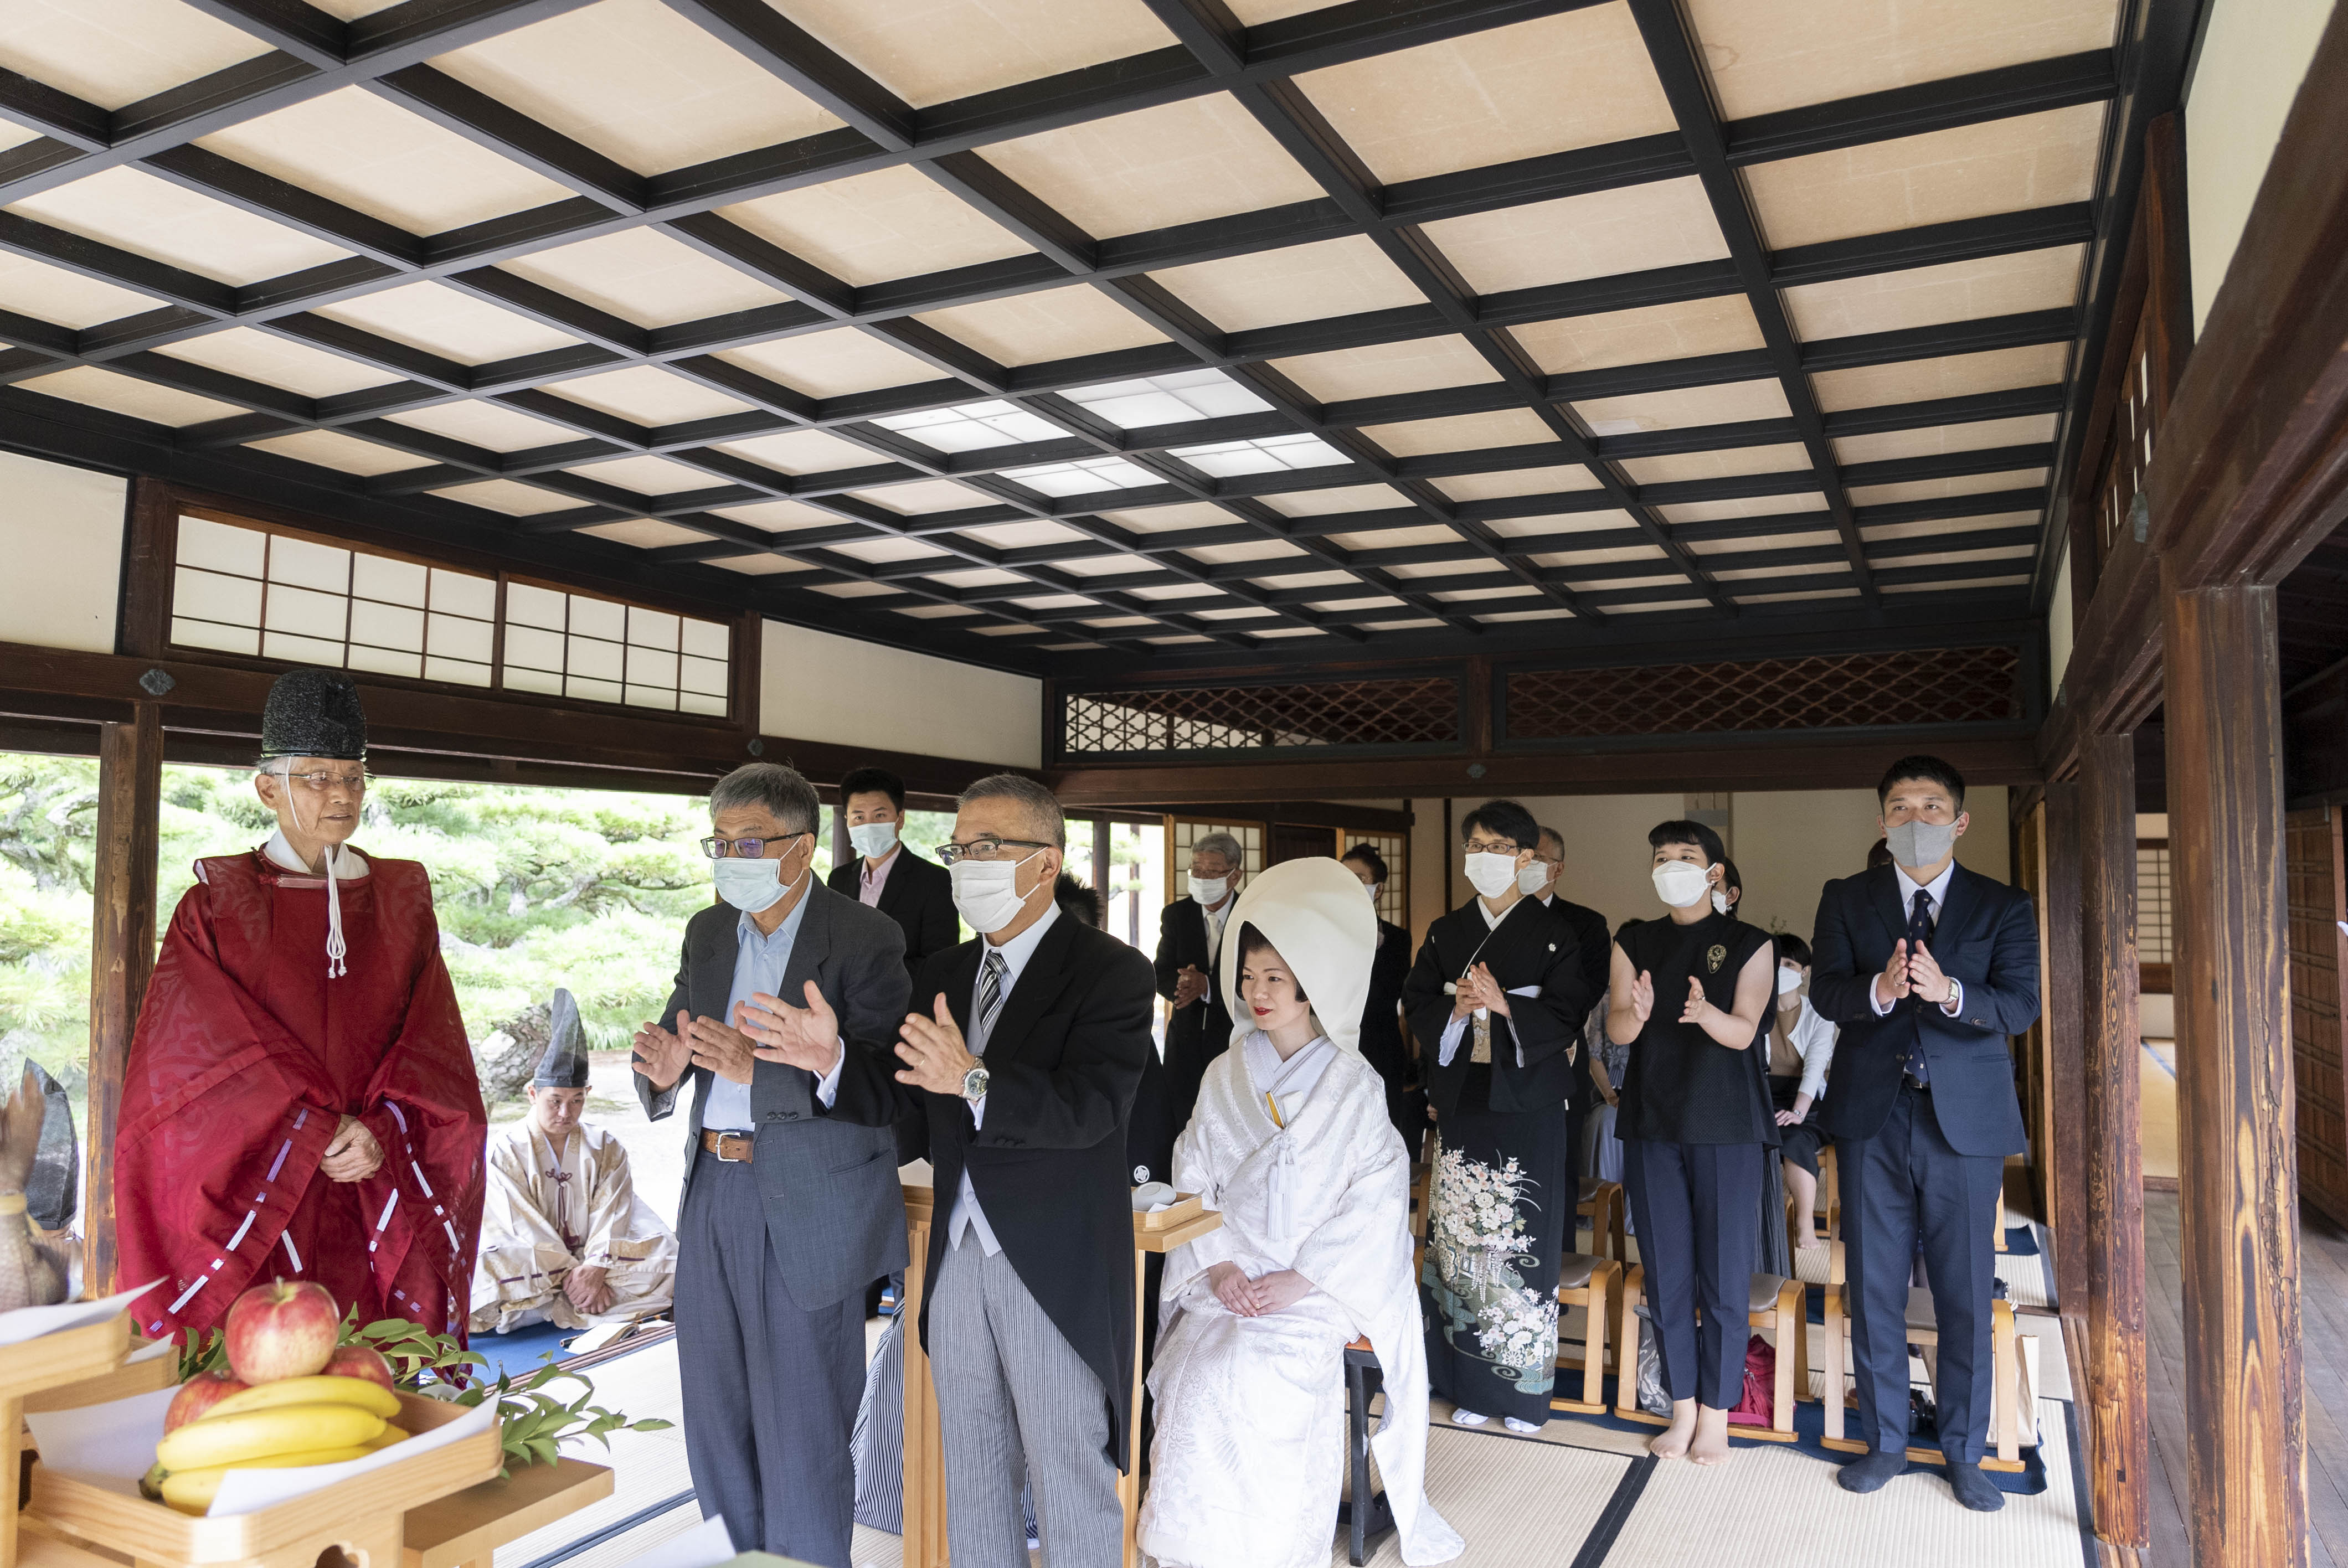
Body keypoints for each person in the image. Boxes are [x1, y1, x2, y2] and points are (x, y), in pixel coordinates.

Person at [743, 773, 1153, 1568]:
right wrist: (830, 1060)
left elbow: (1091, 1109)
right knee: (970, 1469)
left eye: (989, 847)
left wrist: (975, 1080)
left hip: (1054, 1263)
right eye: (961, 847)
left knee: (1070, 1475)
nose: (969, 864)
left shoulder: (1112, 972)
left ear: (1045, 864)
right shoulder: (943, 977)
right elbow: (906, 1114)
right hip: (956, 1262)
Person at [116, 669, 485, 1342]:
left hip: (377, 1170)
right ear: (268, 789)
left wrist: (386, 1129)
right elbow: (193, 1063)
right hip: (261, 1180)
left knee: (375, 1374)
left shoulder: (402, 900)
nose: (341, 794)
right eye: (317, 776)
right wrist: (305, 1132)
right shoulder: (217, 904)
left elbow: (435, 1042)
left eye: (353, 776)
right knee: (261, 1362)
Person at [1140, 859, 1463, 1568]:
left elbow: (1375, 1198)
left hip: (1315, 1284)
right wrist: (1220, 1266)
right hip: (1226, 1275)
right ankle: (1190, 1547)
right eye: (1250, 978)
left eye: (1276, 981)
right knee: (1194, 1375)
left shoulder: (1353, 1082)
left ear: (1310, 990)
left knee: (1261, 1382)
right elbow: (1193, 1170)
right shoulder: (1225, 1071)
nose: (1258, 994)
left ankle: (1272, 1551)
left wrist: (1302, 1280)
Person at [629, 762, 912, 1568]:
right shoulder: (709, 932)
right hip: (713, 1187)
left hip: (810, 1198)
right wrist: (662, 1070)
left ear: (802, 849)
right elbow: (679, 1039)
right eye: (718, 842)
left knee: (804, 1424)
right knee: (715, 1414)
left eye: (746, 841)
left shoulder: (864, 937)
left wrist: (771, 1072)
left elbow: (887, 1083)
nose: (729, 857)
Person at [1809, 756, 2040, 1512]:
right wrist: (1877, 990)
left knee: (1965, 1292)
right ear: (1882, 821)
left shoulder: (2003, 906)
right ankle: (1884, 1441)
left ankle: (1964, 1451)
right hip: (1874, 1115)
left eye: (1932, 807)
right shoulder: (1847, 897)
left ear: (1960, 820)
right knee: (1872, 1283)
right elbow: (1827, 990)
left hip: (1962, 1121)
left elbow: (2020, 1006)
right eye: (1901, 808)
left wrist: (1950, 994)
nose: (1916, 821)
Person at [1404, 799, 1591, 1433]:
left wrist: (1505, 1006)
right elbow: (1416, 999)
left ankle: (1521, 1392)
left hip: (1527, 1103)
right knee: (1458, 1243)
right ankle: (1466, 1382)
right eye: (1474, 846)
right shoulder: (1445, 931)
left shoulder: (1554, 933)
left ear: (1524, 857)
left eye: (1497, 847)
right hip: (1464, 1101)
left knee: (1519, 1242)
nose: (1483, 858)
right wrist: (1456, 1007)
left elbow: (1567, 1012)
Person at [1607, 819, 1776, 1464]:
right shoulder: (1634, 938)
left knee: (1724, 1275)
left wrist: (1707, 1014)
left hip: (1727, 1125)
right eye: (1660, 856)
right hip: (1654, 1121)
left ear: (1712, 873)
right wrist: (1639, 1014)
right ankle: (1680, 1408)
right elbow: (1619, 1032)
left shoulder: (1748, 941)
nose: (1669, 865)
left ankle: (1717, 1412)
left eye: (1684, 856)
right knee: (1668, 1273)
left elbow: (1744, 1032)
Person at [472, 990, 676, 1334]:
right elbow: (520, 1223)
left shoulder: (604, 1146)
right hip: (534, 1258)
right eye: (555, 1101)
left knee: (669, 1256)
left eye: (576, 1101)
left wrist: (595, 1267)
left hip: (596, 1258)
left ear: (587, 1095)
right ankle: (584, 1299)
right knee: (478, 1272)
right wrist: (575, 1274)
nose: (565, 1113)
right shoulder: (507, 1149)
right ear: (533, 1094)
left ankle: (543, 1306)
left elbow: (614, 1212)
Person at [1142, 833, 1244, 1186]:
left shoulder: (1252, 918)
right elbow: (1160, 972)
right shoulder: (1177, 915)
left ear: (1235, 875)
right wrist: (1181, 985)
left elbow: (1259, 979)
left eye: (1213, 872)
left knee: (1229, 1123)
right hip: (1184, 1041)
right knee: (1182, 1120)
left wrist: (1209, 987)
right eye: (1196, 870)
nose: (1203, 879)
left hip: (1233, 1039)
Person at [1525, 824, 1611, 1211]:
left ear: (1557, 869)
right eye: (1521, 856)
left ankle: (1559, 1263)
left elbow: (1586, 994)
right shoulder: (1486, 919)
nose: (1526, 865)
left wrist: (1516, 1007)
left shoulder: (1586, 924)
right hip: (1494, 1060)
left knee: (1559, 1165)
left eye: (1538, 858)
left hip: (1562, 1056)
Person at [825, 766, 957, 977]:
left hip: (905, 1005)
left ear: (900, 818)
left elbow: (939, 961)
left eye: (880, 815)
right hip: (842, 1006)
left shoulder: (935, 881)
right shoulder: (838, 879)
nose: (869, 825)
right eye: (859, 817)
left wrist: (870, 977)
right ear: (847, 820)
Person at [1340, 843, 1418, 1142]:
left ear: (1379, 888)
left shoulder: (1396, 939)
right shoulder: (1320, 933)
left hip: (1380, 1043)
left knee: (1381, 1131)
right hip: (1332, 1043)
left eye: (1359, 878)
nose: (1349, 885)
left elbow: (1388, 996)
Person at [1765, 935, 1836, 1260]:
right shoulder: (1754, 1007)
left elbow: (1816, 1067)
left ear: (1804, 972)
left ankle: (1804, 1221)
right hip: (1765, 1094)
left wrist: (1798, 1110)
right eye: (1776, 963)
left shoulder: (1819, 1014)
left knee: (1796, 1139)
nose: (1781, 970)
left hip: (1807, 1099)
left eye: (1789, 965)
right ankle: (1764, 1219)